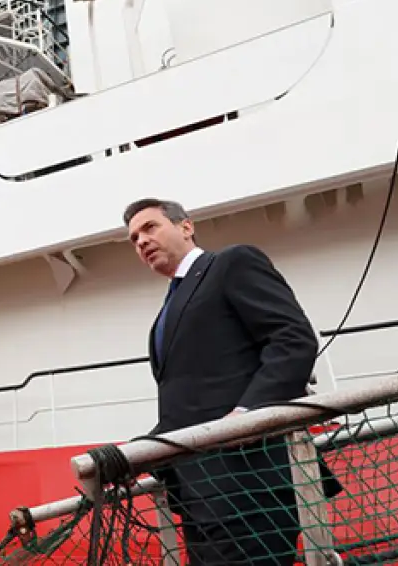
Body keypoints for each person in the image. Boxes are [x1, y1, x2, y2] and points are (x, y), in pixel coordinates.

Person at [123, 197, 335, 565]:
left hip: (248, 482)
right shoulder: (166, 311)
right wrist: (137, 454)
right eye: (133, 238)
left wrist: (248, 414)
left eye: (149, 227)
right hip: (198, 494)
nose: (141, 241)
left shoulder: (231, 263)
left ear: (186, 227)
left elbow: (292, 340)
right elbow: (187, 406)